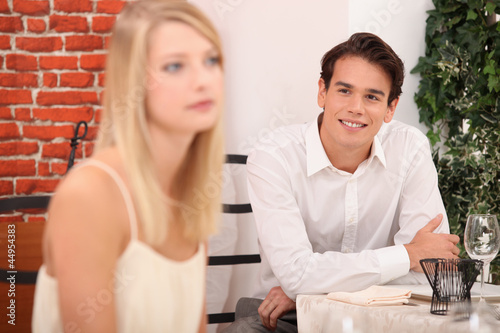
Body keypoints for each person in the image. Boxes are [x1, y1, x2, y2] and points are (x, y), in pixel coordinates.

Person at [223, 32, 460, 332]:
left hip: (380, 316)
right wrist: (408, 254)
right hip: (288, 316)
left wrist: (316, 286)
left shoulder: (410, 148)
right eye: (344, 91)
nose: (356, 108)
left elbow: (432, 267)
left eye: (372, 97)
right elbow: (296, 274)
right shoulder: (274, 157)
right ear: (322, 92)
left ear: (391, 108)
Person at [31, 0, 225, 332]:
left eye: (211, 60)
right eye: (175, 66)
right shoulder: (91, 194)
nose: (203, 80)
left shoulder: (193, 190)